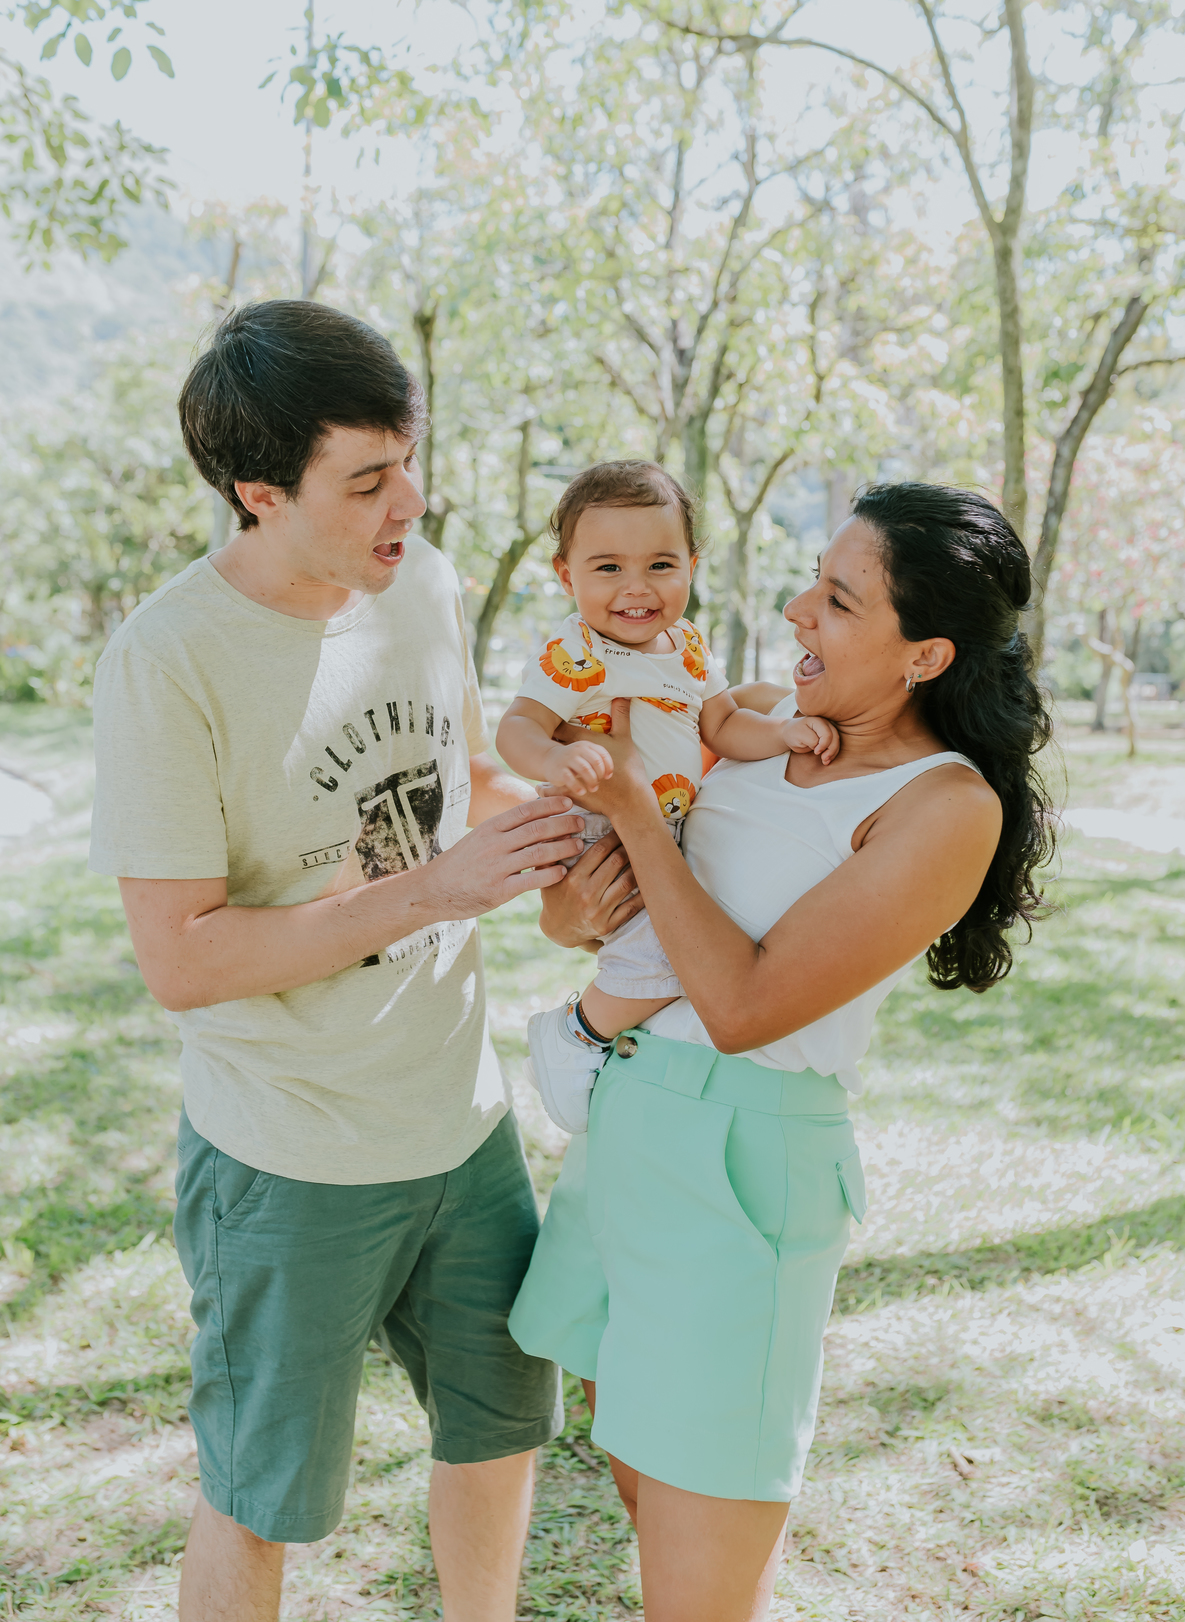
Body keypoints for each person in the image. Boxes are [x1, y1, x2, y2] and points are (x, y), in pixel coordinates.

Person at [88, 300, 589, 1622]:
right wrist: (434, 887)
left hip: (462, 1126)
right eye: (367, 480)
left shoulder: (418, 582)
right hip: (289, 1158)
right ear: (258, 493)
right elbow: (181, 958)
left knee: (501, 1430)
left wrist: (570, 840)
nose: (407, 502)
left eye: (408, 460)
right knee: (263, 1499)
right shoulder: (166, 659)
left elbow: (458, 781)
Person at [513, 482, 1056, 1622]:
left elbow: (744, 1005)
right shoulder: (758, 722)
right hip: (626, 1125)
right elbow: (600, 910)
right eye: (814, 580)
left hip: (742, 1171)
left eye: (840, 599)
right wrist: (572, 907)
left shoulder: (942, 806)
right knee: (648, 1498)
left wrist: (636, 816)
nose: (798, 609)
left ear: (925, 655)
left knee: (698, 1574)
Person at [495, 460, 837, 1131]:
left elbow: (724, 725)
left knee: (696, 933)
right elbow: (517, 727)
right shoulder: (577, 651)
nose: (637, 588)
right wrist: (558, 757)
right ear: (566, 576)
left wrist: (781, 732)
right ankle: (577, 1034)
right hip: (594, 824)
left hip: (662, 825)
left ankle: (620, 1042)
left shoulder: (688, 649)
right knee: (673, 950)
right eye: (608, 568)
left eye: (660, 565)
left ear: (692, 566)